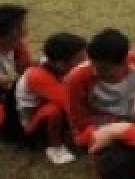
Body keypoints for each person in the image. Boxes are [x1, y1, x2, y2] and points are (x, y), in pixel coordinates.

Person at [64, 28, 135, 149]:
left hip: (131, 119)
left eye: (104, 69)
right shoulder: (76, 79)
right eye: (93, 64)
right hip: (96, 127)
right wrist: (118, 120)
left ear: (124, 61)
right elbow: (78, 121)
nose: (96, 71)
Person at [14, 32, 87, 166]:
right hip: (33, 124)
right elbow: (69, 104)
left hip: (54, 107)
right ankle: (55, 147)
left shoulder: (55, 65)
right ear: (60, 63)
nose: (85, 62)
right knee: (54, 110)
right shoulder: (38, 75)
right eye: (80, 58)